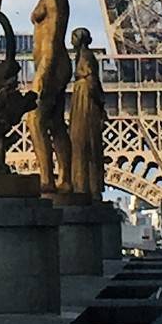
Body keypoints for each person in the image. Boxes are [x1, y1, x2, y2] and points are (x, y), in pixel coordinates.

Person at [27, 0, 73, 193]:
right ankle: (64, 179)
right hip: (53, 64)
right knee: (55, 124)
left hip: (51, 64)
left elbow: (53, 39)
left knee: (34, 120)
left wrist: (43, 74)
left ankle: (47, 179)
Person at [69, 26, 107, 201]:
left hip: (84, 100)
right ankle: (84, 185)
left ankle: (83, 185)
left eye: (73, 38)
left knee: (83, 142)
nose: (71, 41)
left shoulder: (85, 57)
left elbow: (92, 81)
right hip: (83, 98)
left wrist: (99, 102)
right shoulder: (83, 56)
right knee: (84, 144)